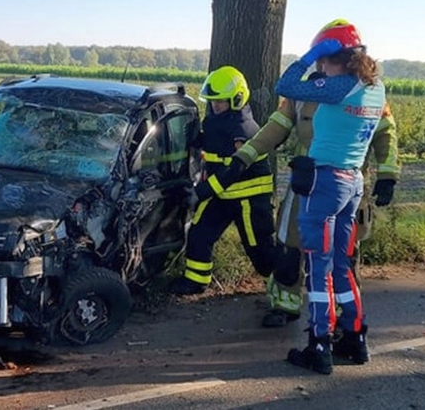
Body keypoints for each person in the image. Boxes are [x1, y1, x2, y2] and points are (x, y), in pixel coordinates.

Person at [232, 66, 399, 329]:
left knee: (343, 256)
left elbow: (385, 133)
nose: (325, 65)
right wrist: (244, 156)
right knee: (289, 249)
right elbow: (275, 127)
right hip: (305, 186)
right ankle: (285, 304)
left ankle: (344, 314)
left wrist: (388, 174)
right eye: (322, 59)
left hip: (345, 189)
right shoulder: (302, 92)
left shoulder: (364, 92)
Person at [274, 20, 385, 375]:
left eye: (325, 59)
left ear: (336, 56)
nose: (321, 67)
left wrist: (308, 56)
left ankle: (319, 345)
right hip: (352, 182)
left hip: (324, 183)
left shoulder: (339, 87)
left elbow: (286, 85)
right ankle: (355, 338)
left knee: (317, 267)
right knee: (340, 264)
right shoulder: (376, 87)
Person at [167, 66, 276, 296]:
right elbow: (212, 145)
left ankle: (284, 288)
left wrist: (201, 192)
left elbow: (232, 172)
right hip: (222, 194)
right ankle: (195, 282)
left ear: (237, 99)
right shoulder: (216, 121)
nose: (215, 107)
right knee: (199, 234)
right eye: (212, 102)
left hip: (248, 198)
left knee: (260, 251)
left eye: (220, 102)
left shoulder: (244, 131)